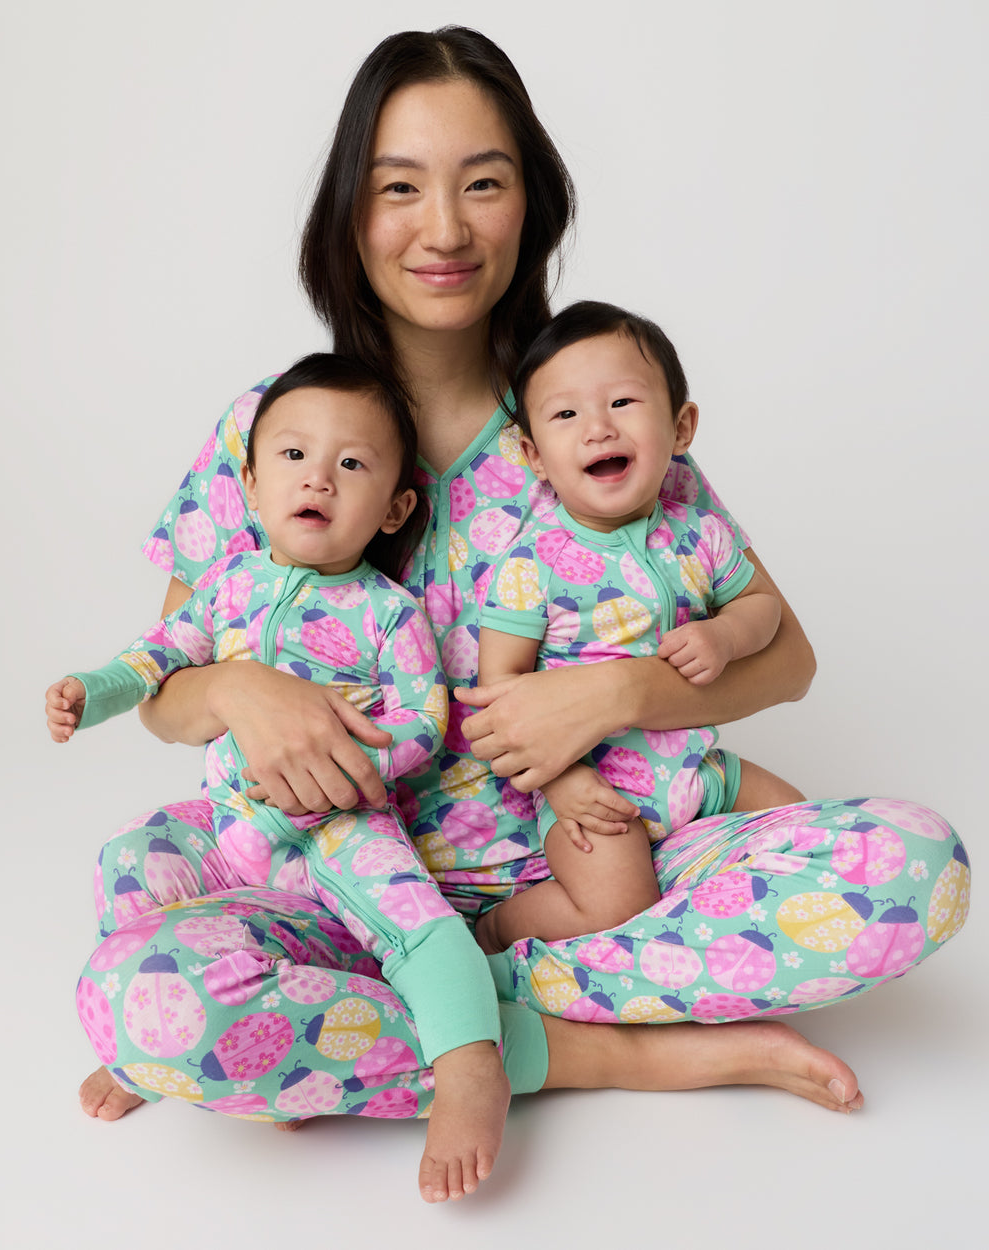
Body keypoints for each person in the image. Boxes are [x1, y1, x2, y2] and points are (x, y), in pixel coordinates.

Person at [73, 26, 968, 1205]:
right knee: (149, 981)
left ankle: (354, 1047)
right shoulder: (281, 421)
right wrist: (243, 689)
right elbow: (169, 692)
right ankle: (611, 1052)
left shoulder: (586, 407)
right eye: (400, 187)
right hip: (338, 883)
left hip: (586, 872)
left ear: (532, 205)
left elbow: (786, 655)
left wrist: (620, 691)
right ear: (350, 212)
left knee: (914, 868)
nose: (442, 229)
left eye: (482, 183)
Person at [49, 354, 510, 1197]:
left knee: (421, 926)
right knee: (133, 854)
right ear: (253, 487)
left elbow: (422, 719)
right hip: (229, 825)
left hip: (335, 828)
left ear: (394, 508)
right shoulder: (227, 586)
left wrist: (352, 768)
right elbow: (160, 658)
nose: (320, 480)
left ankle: (472, 1069)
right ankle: (156, 1055)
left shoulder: (386, 612)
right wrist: (95, 691)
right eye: (294, 457)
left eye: (353, 464)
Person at [475, 301, 804, 954]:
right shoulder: (531, 560)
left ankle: (727, 948)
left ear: (681, 427)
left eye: (623, 402)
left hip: (702, 769)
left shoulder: (699, 532)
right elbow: (497, 692)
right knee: (618, 909)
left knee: (805, 827)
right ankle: (499, 929)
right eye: (566, 415)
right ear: (534, 455)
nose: (596, 429)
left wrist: (726, 636)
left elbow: (765, 611)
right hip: (599, 789)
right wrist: (564, 783)